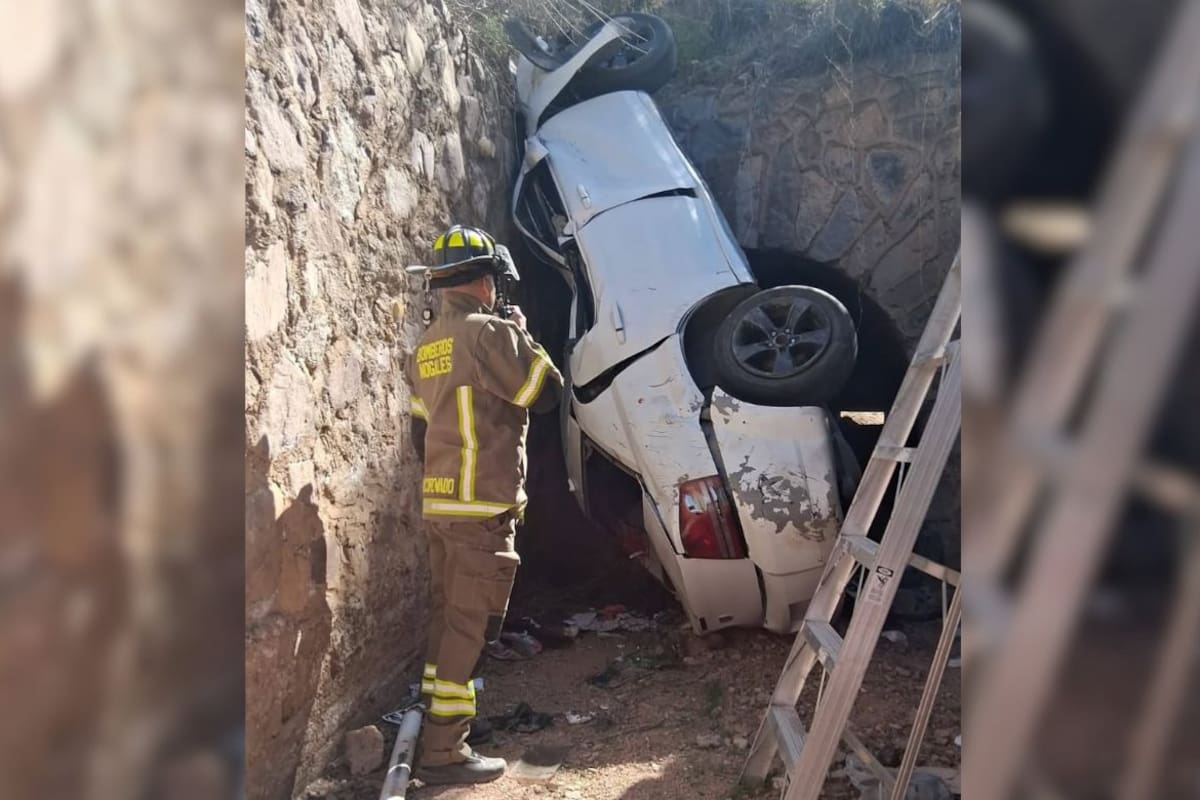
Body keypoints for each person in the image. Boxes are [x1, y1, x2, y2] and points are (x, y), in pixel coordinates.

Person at [404, 224, 563, 785]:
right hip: (482, 511)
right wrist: (525, 337)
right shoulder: (491, 334)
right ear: (486, 281)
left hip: (441, 505)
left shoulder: (425, 347)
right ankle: (446, 753)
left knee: (448, 619)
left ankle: (438, 726)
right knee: (472, 628)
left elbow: (419, 438)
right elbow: (546, 395)